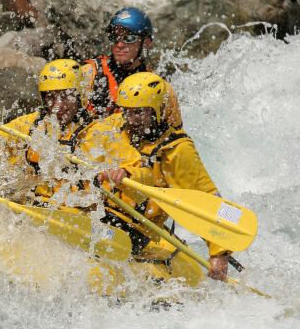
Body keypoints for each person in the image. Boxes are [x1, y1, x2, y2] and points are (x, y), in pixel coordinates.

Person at [99, 72, 232, 281]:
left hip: (133, 231)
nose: (132, 120)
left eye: (140, 113)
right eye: (128, 112)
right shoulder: (115, 128)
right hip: (99, 213)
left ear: (158, 111)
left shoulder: (177, 150)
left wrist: (219, 253)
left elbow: (207, 199)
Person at [0, 59, 143, 208]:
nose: (57, 106)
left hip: (78, 215)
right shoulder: (31, 125)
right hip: (34, 206)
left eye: (66, 96)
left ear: (80, 96)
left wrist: (125, 172)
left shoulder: (99, 134)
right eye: (51, 97)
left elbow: (141, 171)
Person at [81, 6, 180, 125]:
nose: (120, 44)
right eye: (114, 37)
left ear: (146, 43)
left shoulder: (160, 88)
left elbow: (175, 135)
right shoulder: (89, 73)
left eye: (128, 38)